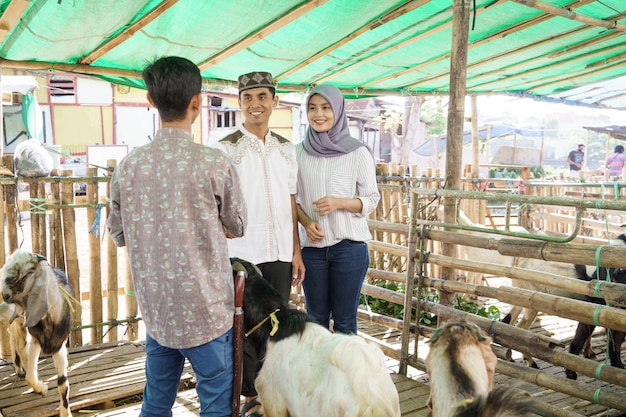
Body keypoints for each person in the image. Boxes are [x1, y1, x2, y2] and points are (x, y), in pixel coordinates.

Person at [107, 56, 247, 417]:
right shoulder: (214, 163)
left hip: (159, 312)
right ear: (197, 102)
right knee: (216, 404)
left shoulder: (128, 166)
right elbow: (238, 225)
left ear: (150, 101)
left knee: (156, 402)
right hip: (208, 310)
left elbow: (119, 234)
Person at [213, 71, 305, 417]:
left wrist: (296, 251)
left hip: (280, 251)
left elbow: (291, 200)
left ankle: (273, 395)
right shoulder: (226, 147)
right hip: (241, 254)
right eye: (249, 98)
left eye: (262, 97)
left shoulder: (286, 149)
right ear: (240, 103)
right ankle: (250, 396)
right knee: (243, 326)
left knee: (277, 324)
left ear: (275, 102)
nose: (256, 105)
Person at [295, 84, 380, 336]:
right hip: (312, 251)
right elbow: (292, 199)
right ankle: (317, 376)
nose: (318, 114)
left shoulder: (357, 152)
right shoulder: (297, 153)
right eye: (312, 108)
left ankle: (344, 376)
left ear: (338, 111)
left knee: (345, 323)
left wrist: (339, 202)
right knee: (315, 323)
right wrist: (307, 223)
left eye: (325, 108)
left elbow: (372, 199)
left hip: (349, 248)